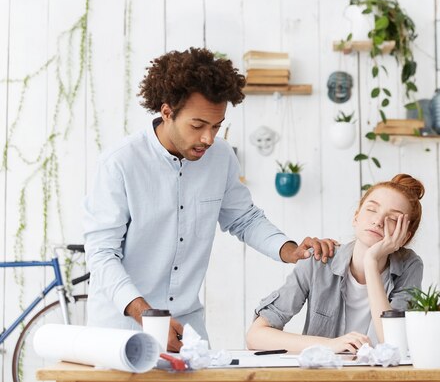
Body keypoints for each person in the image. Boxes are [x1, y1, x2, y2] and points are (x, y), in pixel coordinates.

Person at [83, 47, 336, 352]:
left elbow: (244, 218)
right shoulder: (119, 164)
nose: (208, 138)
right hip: (122, 327)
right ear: (167, 112)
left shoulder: (221, 157)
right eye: (198, 125)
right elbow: (101, 255)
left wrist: (290, 250)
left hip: (187, 327)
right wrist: (148, 317)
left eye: (216, 126)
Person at [246, 174, 424, 353]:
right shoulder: (319, 260)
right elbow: (255, 336)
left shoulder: (410, 266)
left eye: (393, 219)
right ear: (356, 217)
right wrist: (329, 345)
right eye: (371, 209)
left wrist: (371, 262)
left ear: (405, 237)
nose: (378, 221)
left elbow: (394, 345)